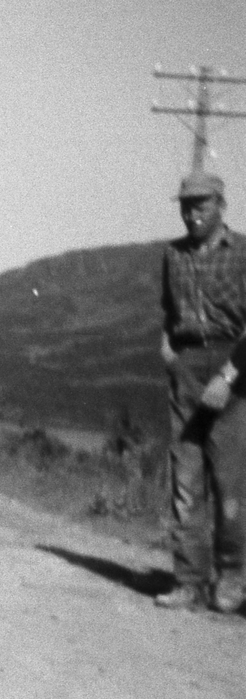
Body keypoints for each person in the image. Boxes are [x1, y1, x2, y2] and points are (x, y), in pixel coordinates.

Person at [157, 169, 246, 613]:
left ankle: (231, 580)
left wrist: (229, 376)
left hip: (234, 366)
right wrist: (170, 355)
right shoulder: (173, 255)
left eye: (201, 205)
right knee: (186, 481)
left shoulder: (243, 253)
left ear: (221, 205)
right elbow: (168, 313)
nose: (191, 214)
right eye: (185, 206)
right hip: (187, 367)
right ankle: (188, 579)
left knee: (231, 482)